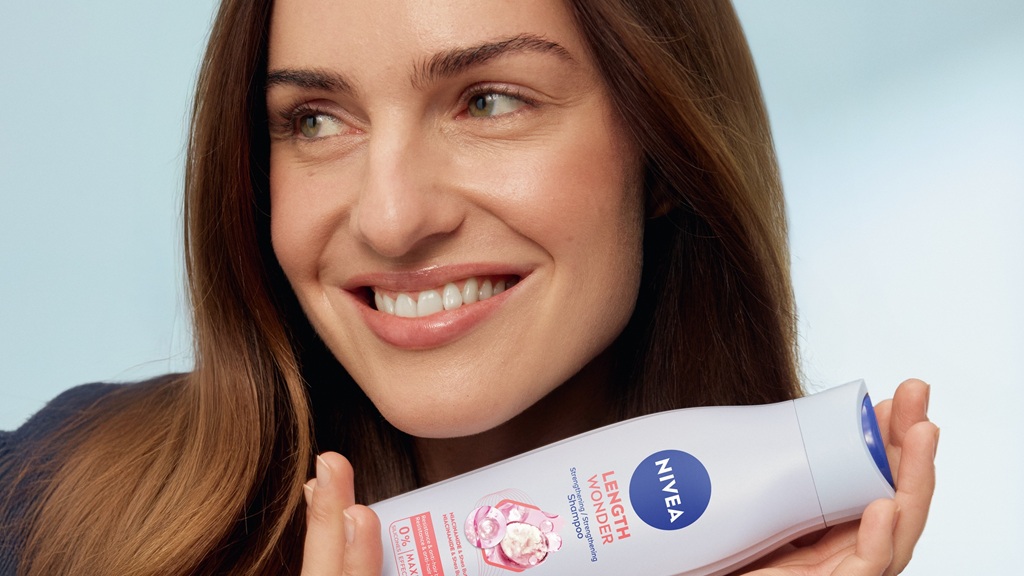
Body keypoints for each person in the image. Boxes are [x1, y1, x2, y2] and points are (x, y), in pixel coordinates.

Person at [0, 0, 938, 574]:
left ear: (661, 152)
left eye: (488, 101)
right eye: (317, 119)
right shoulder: (56, 503)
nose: (391, 218)